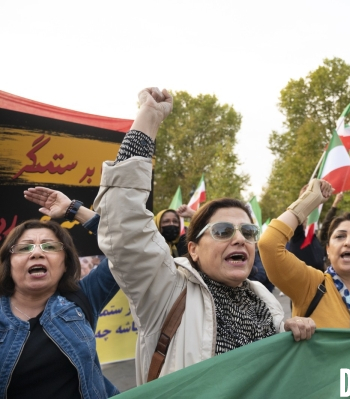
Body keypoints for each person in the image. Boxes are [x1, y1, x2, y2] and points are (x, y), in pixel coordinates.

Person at [93, 87, 314, 385]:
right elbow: (124, 222)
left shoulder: (263, 298)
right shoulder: (167, 291)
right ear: (193, 249)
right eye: (223, 231)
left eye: (248, 232)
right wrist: (148, 119)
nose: (240, 239)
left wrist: (289, 332)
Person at [259, 179, 350, 335]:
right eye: (340, 236)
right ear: (328, 250)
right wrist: (308, 200)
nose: (349, 242)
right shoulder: (310, 284)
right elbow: (269, 245)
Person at [0, 219, 120, 398]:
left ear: (65, 264)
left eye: (49, 247)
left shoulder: (84, 296)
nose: (37, 253)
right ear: (9, 264)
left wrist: (75, 209)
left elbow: (127, 246)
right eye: (25, 248)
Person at [285, 184, 326, 271]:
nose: (305, 220)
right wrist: (302, 199)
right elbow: (297, 215)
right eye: (302, 219)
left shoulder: (314, 238)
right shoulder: (297, 237)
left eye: (307, 218)